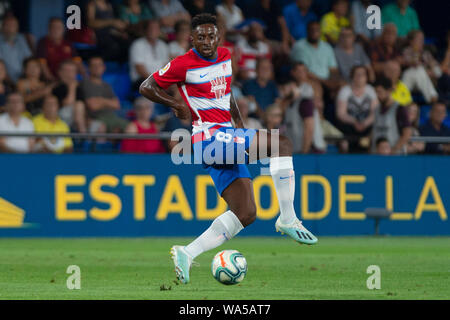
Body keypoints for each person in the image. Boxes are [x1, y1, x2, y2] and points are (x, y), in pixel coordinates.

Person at [139, 13, 317, 284]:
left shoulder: (224, 56)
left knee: (246, 213)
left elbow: (226, 93)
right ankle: (288, 218)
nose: (206, 42)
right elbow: (146, 86)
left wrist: (240, 124)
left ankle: (187, 252)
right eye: (200, 37)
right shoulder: (182, 64)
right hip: (208, 139)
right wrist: (176, 105)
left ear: (219, 36)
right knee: (281, 144)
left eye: (211, 36)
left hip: (228, 136)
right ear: (192, 39)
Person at [283, 62, 326, 153]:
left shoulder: (307, 100)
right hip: (295, 146)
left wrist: (304, 153)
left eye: (303, 71)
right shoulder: (289, 98)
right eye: (298, 71)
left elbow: (309, 128)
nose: (301, 73)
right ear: (292, 72)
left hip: (310, 149)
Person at [79, 56, 128, 133]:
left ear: (104, 67)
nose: (97, 68)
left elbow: (117, 105)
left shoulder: (106, 85)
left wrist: (100, 100)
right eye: (94, 66)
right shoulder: (86, 84)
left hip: (112, 117)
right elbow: (93, 106)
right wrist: (108, 102)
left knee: (130, 128)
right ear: (89, 68)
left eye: (99, 65)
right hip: (97, 118)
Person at [336, 65, 378, 153]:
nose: (360, 77)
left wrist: (365, 123)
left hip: (366, 126)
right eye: (357, 74)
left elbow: (375, 113)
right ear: (352, 77)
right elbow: (341, 114)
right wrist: (355, 122)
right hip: (349, 126)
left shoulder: (371, 91)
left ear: (366, 77)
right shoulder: (344, 91)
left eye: (362, 74)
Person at [290, 21, 340, 93]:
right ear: (307, 31)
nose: (314, 32)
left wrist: (333, 83)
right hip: (309, 79)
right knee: (316, 87)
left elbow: (333, 69)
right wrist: (325, 83)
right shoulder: (299, 46)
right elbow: (302, 71)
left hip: (327, 81)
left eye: (317, 29)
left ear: (320, 32)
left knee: (342, 86)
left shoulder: (327, 47)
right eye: (312, 30)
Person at [371, 77, 412, 154]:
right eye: (376, 92)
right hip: (377, 156)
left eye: (380, 92)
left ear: (389, 91)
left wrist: (394, 150)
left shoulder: (399, 109)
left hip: (394, 156)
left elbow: (407, 132)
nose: (377, 95)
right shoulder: (376, 109)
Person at [401, 30, 439, 104]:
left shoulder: (426, 53)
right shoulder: (406, 51)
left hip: (424, 81)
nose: (421, 42)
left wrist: (432, 70)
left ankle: (402, 97)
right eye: (418, 39)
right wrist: (416, 52)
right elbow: (414, 63)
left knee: (418, 71)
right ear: (411, 41)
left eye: (422, 39)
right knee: (416, 70)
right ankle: (432, 96)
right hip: (412, 82)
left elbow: (438, 71)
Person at [129, 19, 170, 89]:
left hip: (159, 80)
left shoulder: (163, 45)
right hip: (142, 80)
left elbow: (166, 67)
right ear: (146, 30)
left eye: (156, 28)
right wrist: (156, 81)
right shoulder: (137, 44)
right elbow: (140, 70)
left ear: (160, 31)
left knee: (181, 88)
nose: (153, 30)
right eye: (151, 28)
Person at [51, 60, 86, 133]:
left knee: (98, 125)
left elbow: (84, 105)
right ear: (60, 72)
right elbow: (67, 103)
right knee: (79, 105)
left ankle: (84, 138)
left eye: (72, 71)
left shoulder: (79, 87)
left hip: (76, 118)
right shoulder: (57, 87)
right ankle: (83, 134)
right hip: (58, 117)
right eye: (67, 71)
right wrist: (72, 87)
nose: (70, 74)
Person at [0, 15, 32, 82]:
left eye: (14, 25)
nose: (11, 28)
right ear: (2, 27)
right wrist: (11, 83)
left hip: (24, 78)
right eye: (8, 25)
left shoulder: (21, 38)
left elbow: (29, 59)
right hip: (6, 81)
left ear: (17, 27)